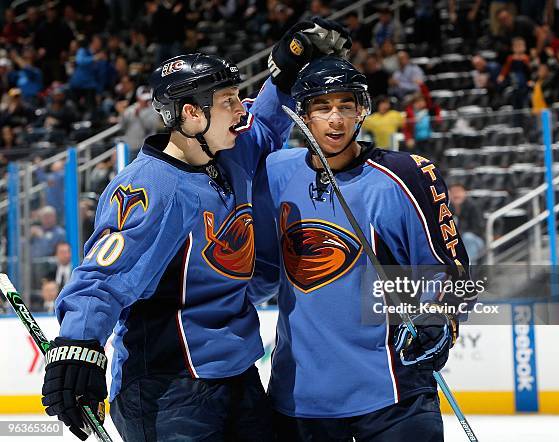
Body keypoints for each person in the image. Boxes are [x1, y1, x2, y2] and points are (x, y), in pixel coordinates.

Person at [40, 19, 351, 441]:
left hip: (237, 373)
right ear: (191, 114)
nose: (239, 109)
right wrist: (78, 348)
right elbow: (102, 277)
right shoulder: (152, 187)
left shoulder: (228, 154)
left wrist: (286, 71)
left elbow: (262, 128)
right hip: (168, 386)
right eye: (227, 102)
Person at [250, 56, 471, 441]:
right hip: (300, 402)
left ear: (361, 111)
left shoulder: (405, 175)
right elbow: (264, 268)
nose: (335, 119)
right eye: (322, 107)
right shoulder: (275, 171)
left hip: (394, 398)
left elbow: (449, 268)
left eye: (345, 106)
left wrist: (440, 317)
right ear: (302, 115)